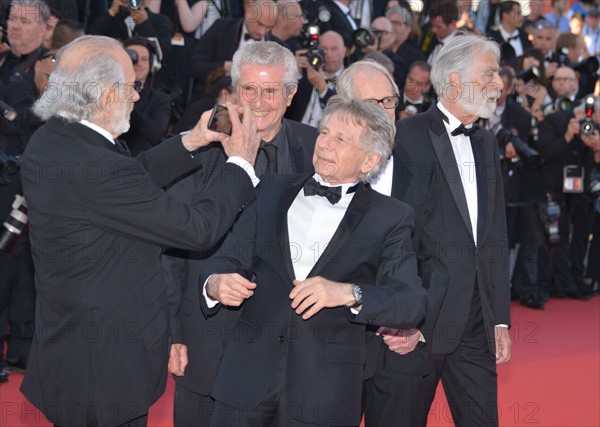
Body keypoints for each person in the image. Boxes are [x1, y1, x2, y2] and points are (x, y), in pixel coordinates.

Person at [19, 35, 260, 427]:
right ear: (107, 94)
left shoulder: (50, 141)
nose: (136, 96)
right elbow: (197, 230)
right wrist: (240, 167)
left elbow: (127, 184)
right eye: (133, 86)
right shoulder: (99, 167)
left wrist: (192, 141)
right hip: (106, 371)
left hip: (70, 350)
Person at [203, 97, 427, 426]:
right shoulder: (269, 190)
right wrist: (215, 284)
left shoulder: (390, 217)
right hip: (245, 382)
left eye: (341, 139)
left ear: (369, 160)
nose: (324, 144)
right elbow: (225, 258)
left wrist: (350, 293)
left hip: (325, 395)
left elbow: (411, 302)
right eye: (324, 133)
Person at [161, 41, 318, 426]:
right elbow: (169, 249)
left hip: (290, 346)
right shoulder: (198, 148)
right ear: (233, 92)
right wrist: (173, 332)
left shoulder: (316, 147)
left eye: (271, 91)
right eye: (249, 90)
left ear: (292, 93)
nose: (259, 102)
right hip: (209, 334)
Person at [392, 35, 512, 426]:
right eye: (490, 73)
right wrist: (405, 317)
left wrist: (499, 318)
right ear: (456, 82)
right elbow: (398, 235)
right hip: (422, 320)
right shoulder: (408, 137)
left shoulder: (487, 142)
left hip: (476, 319)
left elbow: (494, 234)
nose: (499, 84)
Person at [334, 59, 448, 427]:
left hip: (402, 345)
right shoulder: (318, 167)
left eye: (389, 101)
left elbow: (439, 255)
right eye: (372, 104)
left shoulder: (426, 168)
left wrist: (417, 325)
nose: (384, 112)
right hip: (335, 344)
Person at [190, 0, 278, 88]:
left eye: (268, 27)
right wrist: (225, 67)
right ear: (249, 12)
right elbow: (195, 66)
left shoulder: (278, 47)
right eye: (259, 24)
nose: (262, 32)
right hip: (215, 96)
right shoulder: (221, 29)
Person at [120, 36, 171, 155]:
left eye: (144, 59)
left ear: (152, 64)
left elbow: (155, 134)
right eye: (133, 58)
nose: (139, 63)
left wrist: (128, 104)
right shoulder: (108, 91)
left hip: (136, 160)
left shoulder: (160, 100)